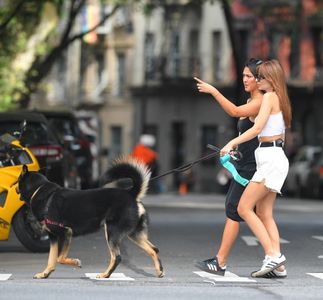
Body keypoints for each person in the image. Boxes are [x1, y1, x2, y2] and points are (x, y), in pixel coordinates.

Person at [194, 58, 275, 277]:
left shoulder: (261, 102)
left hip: (251, 167)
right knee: (261, 213)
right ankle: (278, 260)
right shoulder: (256, 100)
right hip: (246, 163)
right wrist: (233, 148)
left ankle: (220, 262)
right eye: (243, 76)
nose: (245, 80)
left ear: (260, 79)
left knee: (234, 209)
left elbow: (234, 111)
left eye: (250, 76)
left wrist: (213, 91)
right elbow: (247, 134)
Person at [220, 59, 292, 278]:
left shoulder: (269, 97)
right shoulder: (281, 99)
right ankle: (278, 266)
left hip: (270, 159)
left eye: (260, 77)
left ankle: (273, 255)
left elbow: (258, 127)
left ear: (271, 79)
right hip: (274, 156)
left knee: (243, 208)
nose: (256, 80)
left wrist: (231, 143)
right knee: (264, 213)